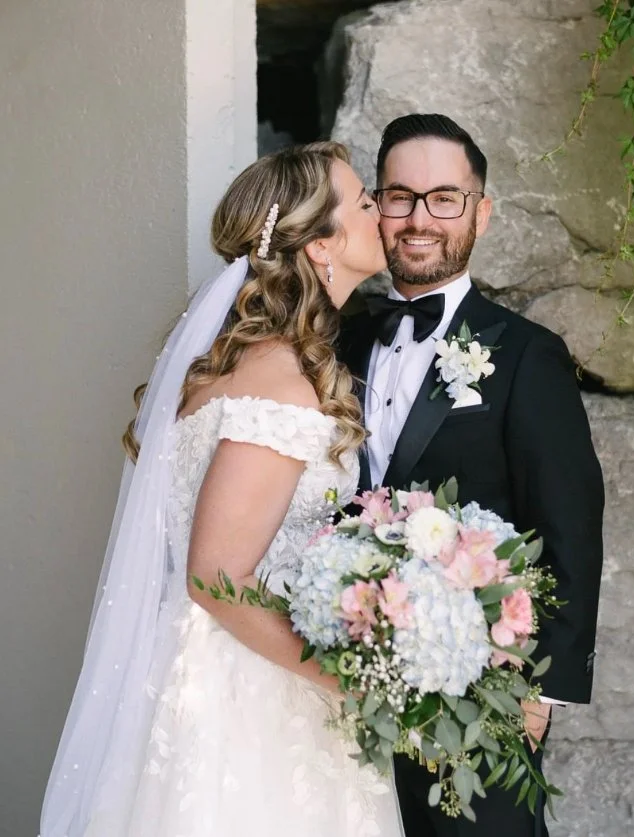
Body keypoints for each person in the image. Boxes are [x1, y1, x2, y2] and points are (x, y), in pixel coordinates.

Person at [40, 141, 405, 837]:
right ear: (320, 244)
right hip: (252, 698)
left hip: (223, 668)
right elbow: (215, 576)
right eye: (364, 202)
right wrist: (351, 678)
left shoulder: (248, 365)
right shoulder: (280, 380)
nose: (380, 211)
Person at [340, 114, 604, 837]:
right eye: (400, 196)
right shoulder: (336, 341)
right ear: (376, 206)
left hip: (478, 694)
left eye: (444, 198)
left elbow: (569, 525)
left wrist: (540, 686)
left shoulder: (525, 356)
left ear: (480, 214)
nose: (419, 219)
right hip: (341, 690)